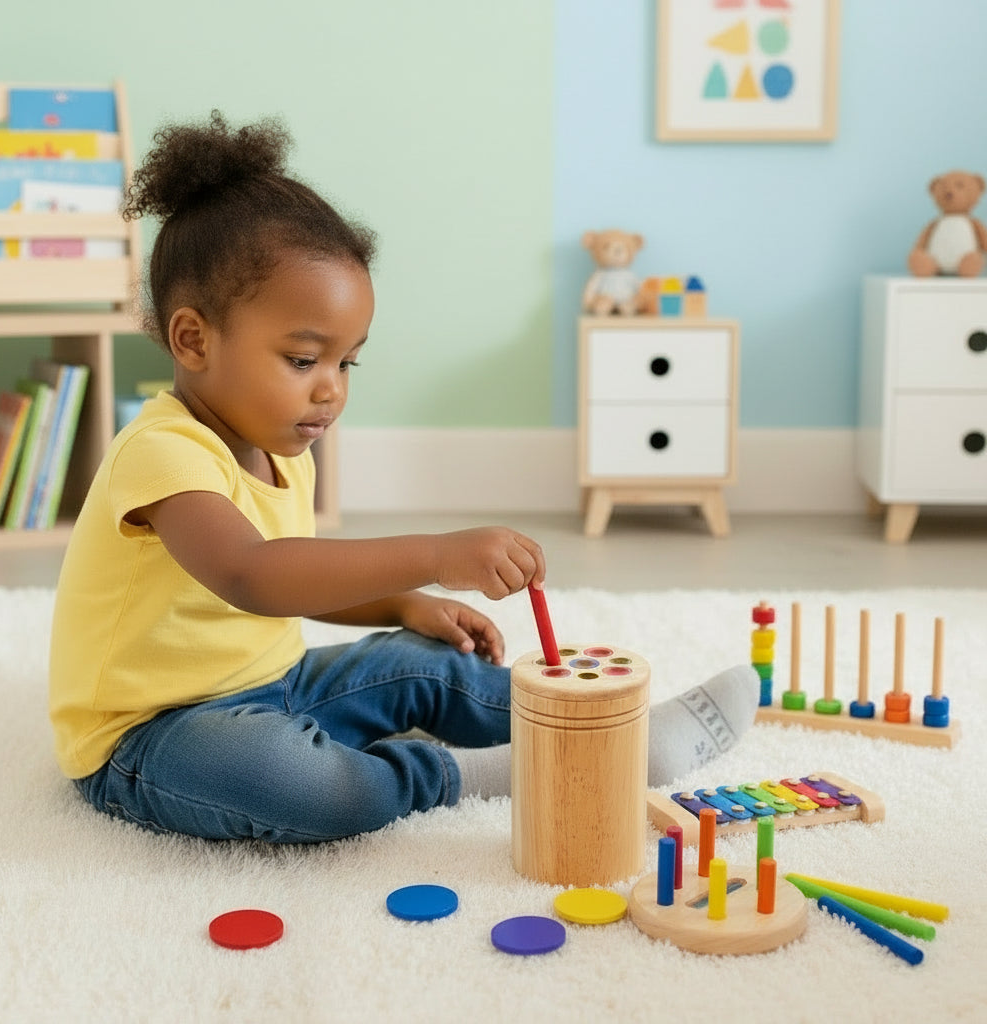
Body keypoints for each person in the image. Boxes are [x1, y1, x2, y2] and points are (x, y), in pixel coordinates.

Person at [49, 112, 757, 844]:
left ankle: (613, 734)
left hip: (275, 684)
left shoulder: (278, 446)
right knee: (308, 787)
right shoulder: (162, 452)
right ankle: (465, 775)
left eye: (346, 362)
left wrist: (405, 603)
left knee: (423, 667)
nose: (331, 390)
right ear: (193, 339)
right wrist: (435, 556)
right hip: (151, 735)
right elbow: (253, 576)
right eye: (303, 360)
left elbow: (306, 575)